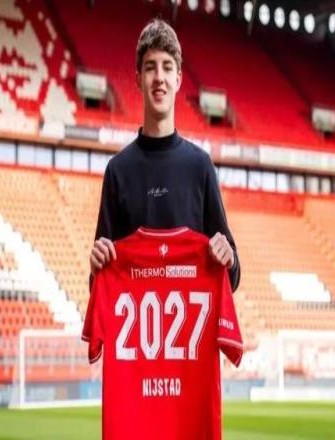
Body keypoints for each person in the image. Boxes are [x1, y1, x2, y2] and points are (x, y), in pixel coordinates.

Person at [89, 18, 240, 292]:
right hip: (137, 321)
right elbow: (100, 286)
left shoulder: (200, 166)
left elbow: (232, 277)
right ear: (138, 79)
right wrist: (96, 266)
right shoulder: (118, 171)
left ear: (178, 79)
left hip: (189, 321)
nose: (159, 77)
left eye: (167, 67)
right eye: (150, 67)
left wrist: (228, 258)